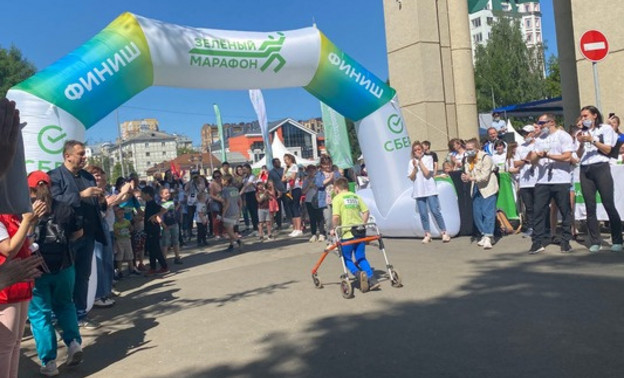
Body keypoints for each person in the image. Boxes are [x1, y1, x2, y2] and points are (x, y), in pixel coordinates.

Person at [26, 171, 84, 375]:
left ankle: (49, 362)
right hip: (64, 266)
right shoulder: (64, 207)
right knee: (65, 305)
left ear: (29, 188)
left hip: (35, 269)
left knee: (40, 316)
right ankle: (74, 342)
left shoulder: (25, 210)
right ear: (50, 186)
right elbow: (78, 233)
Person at [48, 140, 106, 329]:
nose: (84, 157)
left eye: (84, 154)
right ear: (68, 156)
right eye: (80, 154)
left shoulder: (87, 176)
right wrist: (81, 195)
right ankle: (60, 318)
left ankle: (80, 314)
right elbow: (54, 201)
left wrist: (101, 200)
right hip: (66, 237)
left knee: (83, 275)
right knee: (65, 278)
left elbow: (95, 204)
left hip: (88, 235)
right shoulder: (55, 177)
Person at [0, 198, 45, 378]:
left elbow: (26, 242)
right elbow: (8, 249)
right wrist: (27, 221)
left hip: (21, 282)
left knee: (16, 342)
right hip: (6, 288)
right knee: (5, 346)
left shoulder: (12, 215)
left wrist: (30, 223)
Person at [576, 106, 622, 252]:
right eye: (582, 116)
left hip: (601, 166)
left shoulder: (605, 129)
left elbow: (608, 149)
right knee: (590, 206)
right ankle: (595, 240)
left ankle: (617, 240)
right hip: (585, 168)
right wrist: (582, 143)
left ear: (595, 115)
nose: (583, 119)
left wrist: (592, 140)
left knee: (608, 203)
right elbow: (578, 154)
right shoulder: (581, 132)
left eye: (586, 116)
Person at [528, 114, 574, 254]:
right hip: (543, 180)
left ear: (551, 122)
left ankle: (566, 241)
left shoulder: (563, 136)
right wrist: (538, 155)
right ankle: (537, 242)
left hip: (560, 179)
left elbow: (567, 156)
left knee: (564, 210)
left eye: (542, 123)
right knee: (538, 210)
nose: (540, 126)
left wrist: (549, 156)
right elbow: (533, 160)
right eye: (539, 123)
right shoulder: (540, 139)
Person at [330, 177, 379, 292]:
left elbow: (336, 217)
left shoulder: (337, 198)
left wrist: (334, 228)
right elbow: (366, 212)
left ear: (337, 188)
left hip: (346, 232)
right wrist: (363, 223)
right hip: (359, 231)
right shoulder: (356, 196)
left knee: (346, 257)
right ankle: (372, 279)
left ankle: (358, 274)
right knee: (361, 256)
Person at [408, 141, 451, 243]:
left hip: (430, 189)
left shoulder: (429, 158)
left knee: (435, 210)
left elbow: (427, 173)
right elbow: (411, 177)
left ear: (422, 150)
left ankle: (444, 232)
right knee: (423, 213)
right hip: (419, 190)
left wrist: (420, 162)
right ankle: (427, 234)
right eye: (415, 150)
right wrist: (414, 167)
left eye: (419, 149)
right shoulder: (411, 162)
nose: (417, 151)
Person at [462, 138, 498, 250]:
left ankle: (488, 236)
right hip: (476, 187)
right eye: (466, 149)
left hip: (488, 187)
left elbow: (485, 176)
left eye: (470, 149)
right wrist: (465, 177)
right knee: (477, 213)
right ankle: (484, 233)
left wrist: (471, 178)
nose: (468, 151)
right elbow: (467, 172)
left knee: (488, 212)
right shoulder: (468, 159)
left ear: (477, 148)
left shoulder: (485, 157)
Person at [514, 125, 538, 237]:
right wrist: (525, 160)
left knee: (540, 205)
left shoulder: (538, 144)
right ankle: (531, 227)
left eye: (527, 133)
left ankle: (542, 227)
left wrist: (531, 159)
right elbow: (516, 163)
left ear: (533, 133)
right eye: (523, 133)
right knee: (529, 206)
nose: (525, 136)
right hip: (524, 182)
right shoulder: (520, 148)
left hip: (537, 180)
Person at [141, 186, 169, 275]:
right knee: (151, 249)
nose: (141, 196)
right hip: (148, 229)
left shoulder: (152, 203)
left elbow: (164, 210)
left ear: (148, 195)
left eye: (143, 194)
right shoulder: (148, 203)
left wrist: (156, 215)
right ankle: (152, 267)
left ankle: (164, 266)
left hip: (153, 229)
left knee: (156, 248)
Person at [315, 154, 341, 238]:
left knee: (338, 219)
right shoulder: (319, 174)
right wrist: (329, 179)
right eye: (325, 164)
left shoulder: (336, 173)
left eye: (329, 164)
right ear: (322, 165)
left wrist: (334, 179)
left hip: (336, 199)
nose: (328, 166)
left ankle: (339, 237)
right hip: (325, 200)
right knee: (328, 220)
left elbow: (341, 183)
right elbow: (319, 184)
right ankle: (330, 239)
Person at [282, 154, 303, 237]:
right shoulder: (286, 168)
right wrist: (286, 172)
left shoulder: (294, 166)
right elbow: (283, 179)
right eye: (284, 160)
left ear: (290, 159)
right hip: (288, 189)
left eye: (286, 159)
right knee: (291, 209)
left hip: (295, 188)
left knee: (295, 207)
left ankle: (299, 228)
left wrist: (289, 177)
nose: (285, 161)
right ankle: (295, 228)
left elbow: (293, 177)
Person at [160, 188, 182, 264]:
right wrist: (162, 224)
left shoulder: (172, 201)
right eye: (166, 193)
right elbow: (159, 215)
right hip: (165, 225)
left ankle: (177, 257)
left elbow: (177, 206)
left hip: (174, 223)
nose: (168, 194)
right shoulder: (160, 204)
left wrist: (177, 209)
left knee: (176, 241)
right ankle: (164, 259)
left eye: (169, 193)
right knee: (165, 242)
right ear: (161, 195)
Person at [303, 165, 325, 242]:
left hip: (318, 199)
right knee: (312, 218)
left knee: (320, 217)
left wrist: (314, 185)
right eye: (309, 171)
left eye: (313, 170)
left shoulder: (318, 178)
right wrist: (309, 186)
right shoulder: (306, 180)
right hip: (309, 200)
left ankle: (322, 233)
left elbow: (321, 187)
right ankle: (313, 234)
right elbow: (303, 192)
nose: (311, 172)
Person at [221, 174, 243, 252]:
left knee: (229, 230)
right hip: (236, 210)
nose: (221, 182)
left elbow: (226, 203)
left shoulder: (224, 190)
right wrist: (239, 211)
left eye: (222, 180)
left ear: (226, 181)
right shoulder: (235, 189)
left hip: (229, 212)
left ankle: (238, 241)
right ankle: (231, 244)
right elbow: (240, 201)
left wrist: (223, 214)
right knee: (232, 229)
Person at [113, 207, 135, 278]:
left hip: (127, 239)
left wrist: (130, 229)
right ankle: (119, 271)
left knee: (129, 254)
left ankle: (131, 269)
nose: (121, 215)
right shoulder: (115, 224)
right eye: (119, 214)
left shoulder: (127, 221)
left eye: (122, 213)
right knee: (120, 256)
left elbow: (131, 228)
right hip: (119, 241)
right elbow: (116, 232)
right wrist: (120, 232)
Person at [240, 164, 259, 236]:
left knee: (254, 211)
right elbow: (242, 184)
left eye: (245, 169)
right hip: (247, 194)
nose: (244, 171)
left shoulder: (252, 176)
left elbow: (247, 185)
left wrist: (240, 193)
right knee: (250, 211)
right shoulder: (245, 177)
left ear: (249, 169)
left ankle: (257, 228)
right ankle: (254, 228)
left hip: (252, 194)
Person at [268, 158, 286, 229]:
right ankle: (279, 224)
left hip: (285, 191)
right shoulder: (271, 172)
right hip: (277, 192)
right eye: (277, 162)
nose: (279, 163)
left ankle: (290, 221)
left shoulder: (283, 170)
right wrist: (276, 190)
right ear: (273, 164)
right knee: (278, 209)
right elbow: (270, 183)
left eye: (279, 162)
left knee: (288, 206)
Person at [209, 171, 224, 240]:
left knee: (223, 217)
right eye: (216, 177)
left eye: (219, 176)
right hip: (215, 202)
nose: (217, 178)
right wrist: (218, 199)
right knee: (216, 218)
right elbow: (211, 195)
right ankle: (216, 233)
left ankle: (222, 232)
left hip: (223, 202)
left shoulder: (222, 183)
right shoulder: (212, 184)